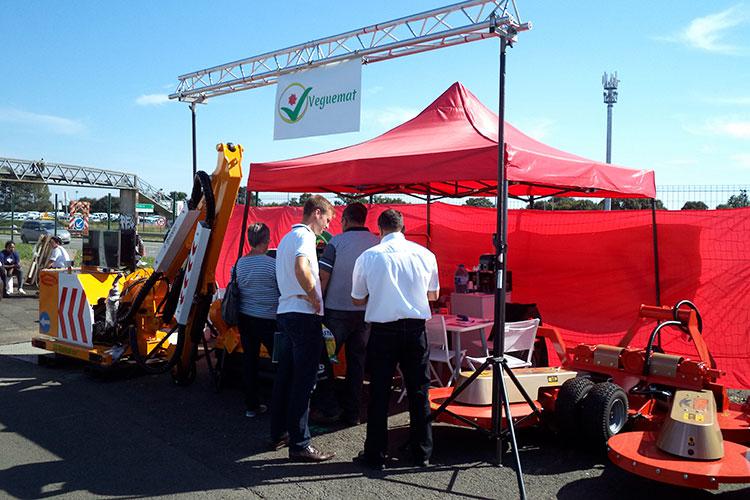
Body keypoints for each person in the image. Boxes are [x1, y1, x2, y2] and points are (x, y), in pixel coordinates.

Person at [350, 209, 440, 470]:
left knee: (379, 392)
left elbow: (357, 298)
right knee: (419, 390)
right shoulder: (425, 254)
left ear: (379, 229)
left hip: (383, 330)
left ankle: (376, 455)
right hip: (415, 329)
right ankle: (422, 452)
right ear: (403, 227)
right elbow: (432, 295)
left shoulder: (368, 257)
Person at [270, 195, 336, 462]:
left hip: (286, 311)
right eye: (327, 220)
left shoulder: (286, 238)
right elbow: (301, 267)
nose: (326, 227)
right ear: (317, 213)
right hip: (302, 313)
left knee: (285, 377)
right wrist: (314, 297)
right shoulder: (305, 237)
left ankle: (279, 432)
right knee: (304, 381)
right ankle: (300, 443)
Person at [312, 202, 379, 425]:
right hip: (365, 314)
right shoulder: (376, 243)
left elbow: (323, 277)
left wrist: (316, 305)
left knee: (323, 359)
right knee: (357, 363)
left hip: (336, 311)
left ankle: (330, 407)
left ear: (346, 220)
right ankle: (353, 413)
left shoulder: (335, 242)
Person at [234, 222, 279, 418]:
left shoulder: (239, 264)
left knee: (250, 361)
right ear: (267, 240)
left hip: (245, 318)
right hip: (270, 320)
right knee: (279, 362)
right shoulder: (273, 265)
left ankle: (251, 406)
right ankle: (281, 403)